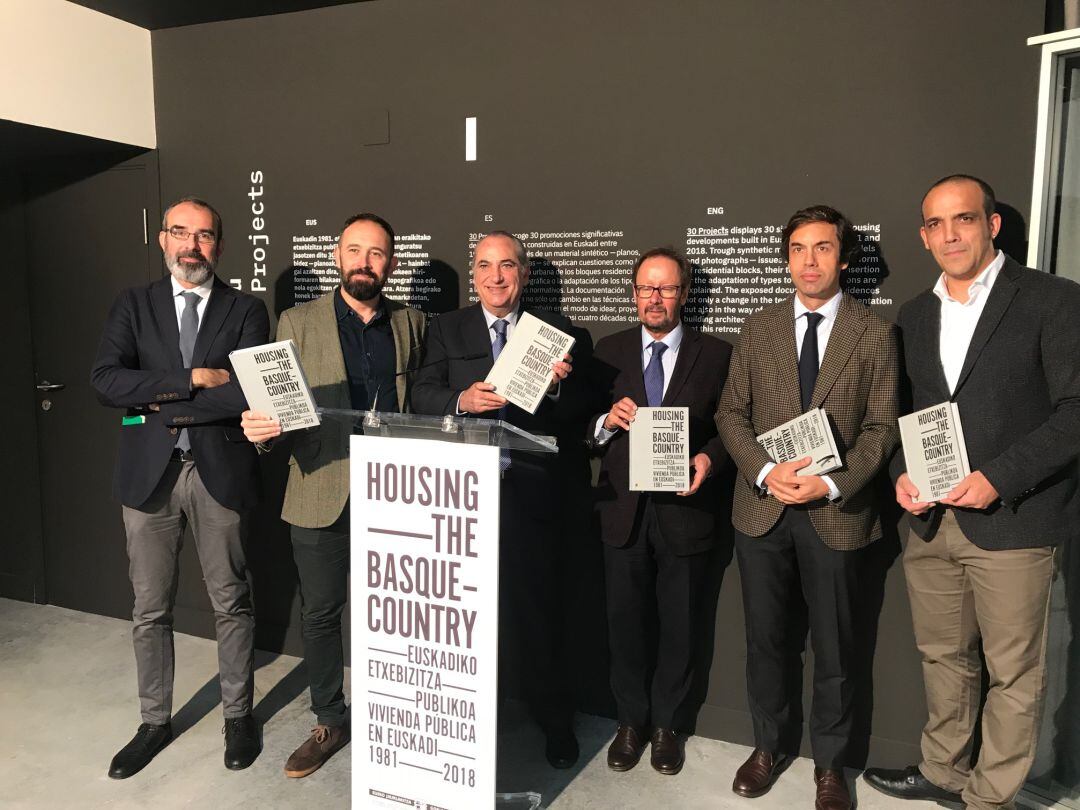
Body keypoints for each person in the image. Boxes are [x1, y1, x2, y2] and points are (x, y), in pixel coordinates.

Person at [863, 175, 1080, 810]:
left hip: (1014, 520)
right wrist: (904, 469)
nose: (950, 234)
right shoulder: (914, 314)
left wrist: (999, 478)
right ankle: (944, 772)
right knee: (944, 658)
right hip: (932, 523)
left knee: (1015, 674)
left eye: (963, 219)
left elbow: (1075, 410)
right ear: (924, 236)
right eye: (935, 223)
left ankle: (990, 797)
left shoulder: (1052, 301)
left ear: (992, 225)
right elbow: (908, 412)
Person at [716, 205, 899, 810]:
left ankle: (830, 765)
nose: (810, 260)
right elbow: (730, 414)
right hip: (762, 511)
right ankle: (768, 746)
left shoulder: (873, 331)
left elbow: (881, 427)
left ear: (843, 258)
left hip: (836, 514)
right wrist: (767, 471)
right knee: (766, 641)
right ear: (786, 257)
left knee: (839, 650)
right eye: (798, 248)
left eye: (822, 248)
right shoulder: (759, 325)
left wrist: (831, 483)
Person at [240, 213, 425, 777]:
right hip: (321, 490)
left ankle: (403, 717)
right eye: (354, 250)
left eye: (376, 253)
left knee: (401, 615)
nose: (365, 262)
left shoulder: (413, 322)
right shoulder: (297, 320)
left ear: (389, 263)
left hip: (397, 492)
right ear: (338, 257)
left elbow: (425, 399)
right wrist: (264, 431)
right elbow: (278, 408)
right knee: (321, 614)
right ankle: (329, 718)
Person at [91, 197, 270, 777]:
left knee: (232, 601)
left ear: (220, 244)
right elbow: (107, 381)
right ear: (164, 240)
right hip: (149, 478)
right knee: (149, 608)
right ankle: (154, 721)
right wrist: (189, 380)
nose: (193, 245)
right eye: (181, 233)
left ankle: (239, 715)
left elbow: (246, 390)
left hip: (220, 472)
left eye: (205, 235)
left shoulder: (246, 310)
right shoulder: (133, 306)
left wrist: (158, 400)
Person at [410, 230, 590, 768]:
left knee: (539, 617)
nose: (496, 276)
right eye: (486, 266)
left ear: (524, 273)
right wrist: (459, 399)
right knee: (465, 622)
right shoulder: (445, 328)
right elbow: (419, 395)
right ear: (474, 274)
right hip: (462, 500)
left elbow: (582, 411)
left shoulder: (557, 332)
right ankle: (469, 723)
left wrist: (557, 388)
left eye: (507, 265)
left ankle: (553, 720)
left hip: (533, 499)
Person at [586, 247, 732, 775]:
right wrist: (606, 419)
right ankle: (630, 723)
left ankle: (667, 725)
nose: (655, 297)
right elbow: (584, 431)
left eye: (666, 288)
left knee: (681, 625)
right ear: (633, 293)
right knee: (625, 626)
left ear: (683, 294)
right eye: (646, 287)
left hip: (685, 513)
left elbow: (730, 429)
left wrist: (707, 461)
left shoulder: (716, 354)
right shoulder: (608, 351)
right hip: (622, 515)